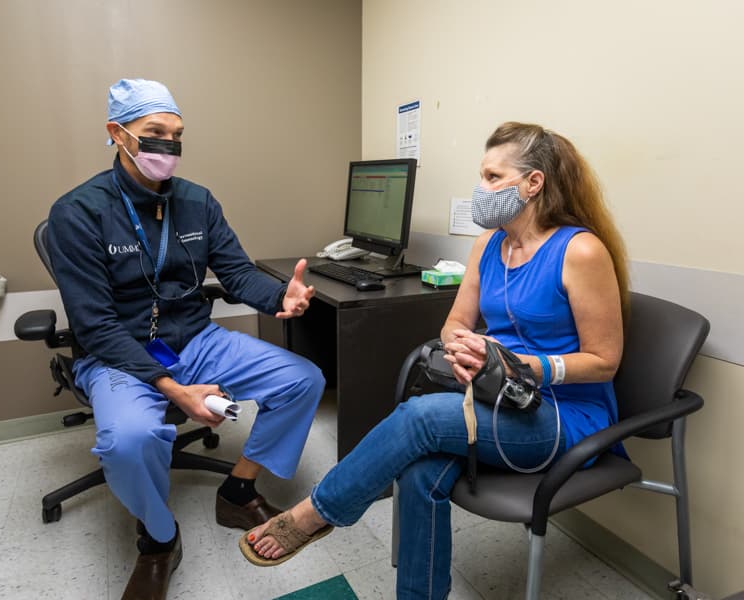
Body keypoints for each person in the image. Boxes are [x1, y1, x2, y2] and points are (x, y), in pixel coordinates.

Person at [239, 121, 629, 599]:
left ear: (533, 183)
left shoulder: (580, 251)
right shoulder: (488, 246)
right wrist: (462, 352)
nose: (480, 189)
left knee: (421, 418)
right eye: (481, 177)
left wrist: (529, 366)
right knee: (421, 473)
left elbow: (605, 360)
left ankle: (314, 514)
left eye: (491, 177)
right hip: (497, 397)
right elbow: (454, 325)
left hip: (563, 415)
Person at [47, 78, 325, 599]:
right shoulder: (78, 213)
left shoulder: (197, 202)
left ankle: (238, 488)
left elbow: (238, 274)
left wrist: (278, 298)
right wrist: (172, 389)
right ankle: (159, 538)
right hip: (117, 355)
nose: (167, 146)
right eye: (154, 133)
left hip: (193, 338)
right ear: (118, 132)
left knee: (302, 379)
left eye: (176, 135)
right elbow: (96, 324)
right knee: (128, 441)